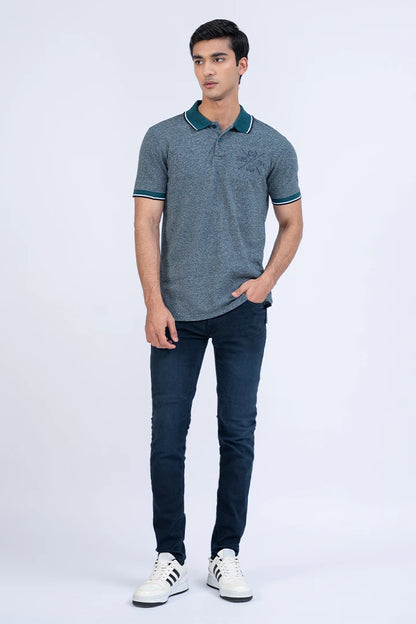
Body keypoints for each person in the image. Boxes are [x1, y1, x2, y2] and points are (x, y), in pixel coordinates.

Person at [131, 18, 303, 607]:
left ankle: (225, 553)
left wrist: (265, 282)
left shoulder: (272, 145)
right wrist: (153, 302)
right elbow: (145, 223)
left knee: (237, 432)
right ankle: (170, 557)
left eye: (218, 59)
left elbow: (292, 223)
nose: (207, 70)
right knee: (167, 435)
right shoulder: (163, 137)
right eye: (199, 60)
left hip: (241, 314)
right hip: (174, 312)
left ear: (242, 65)